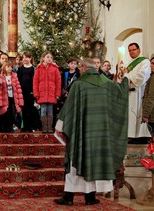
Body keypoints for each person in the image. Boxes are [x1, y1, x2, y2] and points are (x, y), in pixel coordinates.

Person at [54, 58, 129, 206]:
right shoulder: (108, 84)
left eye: (80, 67)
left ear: (83, 68)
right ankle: (90, 198)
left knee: (76, 159)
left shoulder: (79, 84)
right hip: (101, 134)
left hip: (81, 132)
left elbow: (69, 108)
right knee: (95, 161)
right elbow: (121, 94)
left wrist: (60, 125)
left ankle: (69, 197)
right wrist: (124, 79)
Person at [126, 43, 151, 143]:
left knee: (138, 113)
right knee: (131, 114)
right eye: (130, 50)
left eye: (133, 49)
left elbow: (142, 76)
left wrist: (129, 79)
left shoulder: (144, 61)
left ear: (139, 49)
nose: (131, 52)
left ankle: (141, 136)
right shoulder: (129, 62)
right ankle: (131, 135)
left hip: (139, 91)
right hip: (130, 93)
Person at [33, 52, 61, 133]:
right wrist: (36, 94)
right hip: (42, 93)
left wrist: (57, 94)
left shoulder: (55, 69)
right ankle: (44, 127)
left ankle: (50, 127)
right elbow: (35, 82)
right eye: (47, 57)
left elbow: (58, 82)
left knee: (50, 111)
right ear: (43, 58)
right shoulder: (39, 69)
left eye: (51, 57)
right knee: (43, 110)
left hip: (51, 93)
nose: (49, 59)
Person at [0, 61, 24, 133]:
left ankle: (11, 126)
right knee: (6, 113)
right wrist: (0, 101)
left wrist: (20, 99)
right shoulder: (1, 77)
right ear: (4, 68)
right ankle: (5, 127)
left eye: (11, 67)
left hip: (13, 97)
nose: (10, 68)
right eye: (8, 67)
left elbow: (18, 88)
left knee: (13, 112)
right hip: (5, 97)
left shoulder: (14, 76)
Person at [17, 51, 40, 132]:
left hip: (30, 92)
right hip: (22, 93)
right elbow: (18, 80)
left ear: (30, 58)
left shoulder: (34, 69)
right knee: (23, 109)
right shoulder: (20, 69)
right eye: (23, 57)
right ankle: (24, 126)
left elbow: (36, 81)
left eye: (26, 57)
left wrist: (34, 91)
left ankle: (30, 126)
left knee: (30, 109)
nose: (24, 59)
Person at [142, 57, 154, 137]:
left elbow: (151, 97)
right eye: (151, 63)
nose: (151, 65)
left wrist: (146, 114)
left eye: (153, 64)